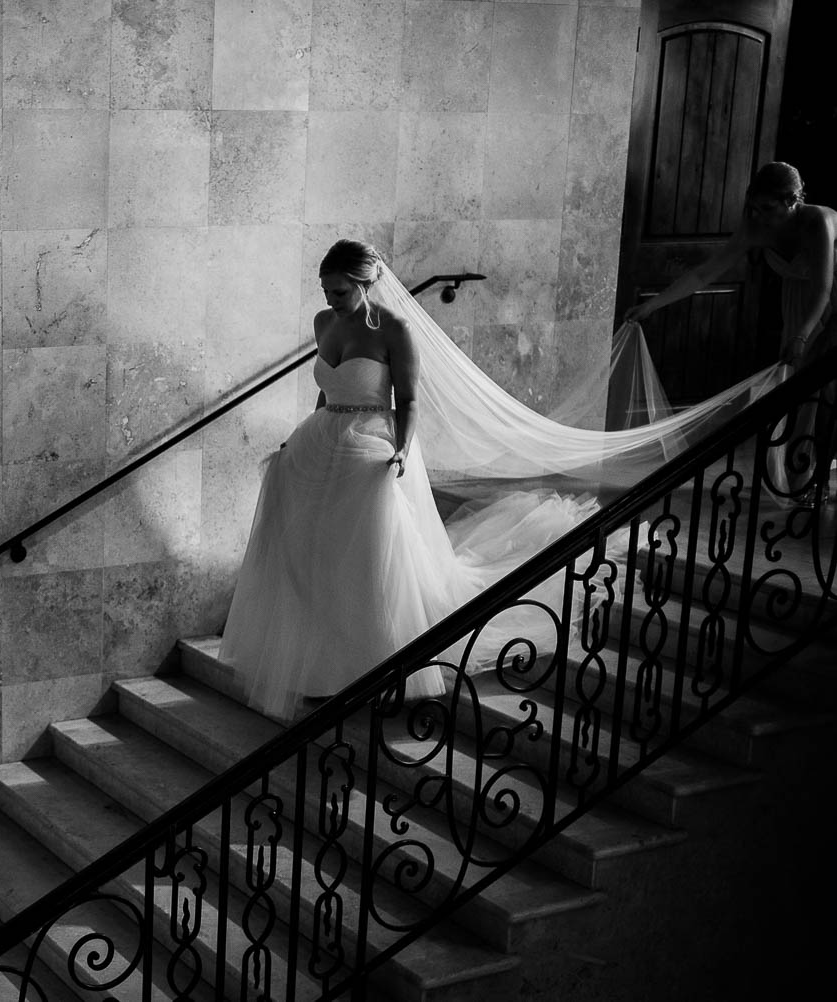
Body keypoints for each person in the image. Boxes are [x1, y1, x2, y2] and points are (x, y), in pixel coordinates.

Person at [218, 241, 578, 720]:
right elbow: (327, 395)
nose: (330, 300)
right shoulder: (324, 324)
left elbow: (407, 400)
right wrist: (300, 443)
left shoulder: (395, 329)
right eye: (325, 290)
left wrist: (403, 450)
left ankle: (373, 664)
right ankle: (320, 665)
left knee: (366, 561)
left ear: (366, 284)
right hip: (322, 441)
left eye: (340, 291)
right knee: (310, 551)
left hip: (374, 443)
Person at [625, 162, 836, 502]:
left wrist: (802, 335)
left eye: (767, 209)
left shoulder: (819, 220)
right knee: (800, 388)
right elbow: (704, 274)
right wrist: (653, 306)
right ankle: (801, 476)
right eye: (754, 207)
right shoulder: (756, 225)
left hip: (828, 298)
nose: (759, 215)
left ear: (793, 201)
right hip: (800, 301)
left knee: (828, 387)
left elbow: (823, 288)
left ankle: (819, 480)